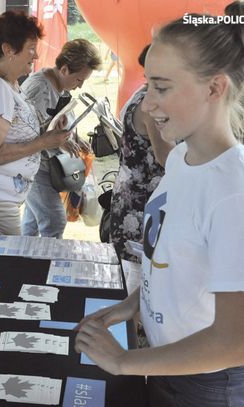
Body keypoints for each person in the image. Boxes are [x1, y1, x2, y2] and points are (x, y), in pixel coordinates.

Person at [75, 11, 244, 406]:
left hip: (206, 386)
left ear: (215, 88)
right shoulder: (183, 158)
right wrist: (131, 306)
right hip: (170, 368)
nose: (147, 105)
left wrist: (122, 362)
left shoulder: (232, 192)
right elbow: (169, 261)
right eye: (148, 85)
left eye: (162, 88)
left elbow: (236, 341)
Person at [0, 11, 70, 236]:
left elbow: (14, 129)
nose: (36, 55)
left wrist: (48, 130)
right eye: (30, 48)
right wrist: (43, 143)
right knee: (10, 264)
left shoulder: (7, 82)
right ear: (8, 49)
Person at [21, 39, 101, 239]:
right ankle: (46, 265)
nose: (80, 86)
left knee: (32, 223)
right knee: (54, 220)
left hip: (48, 165)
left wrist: (73, 136)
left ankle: (24, 261)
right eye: (79, 80)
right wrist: (61, 140)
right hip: (34, 165)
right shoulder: (38, 89)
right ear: (64, 69)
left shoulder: (62, 87)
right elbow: (23, 132)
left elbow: (57, 121)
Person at [109, 45, 175, 261]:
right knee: (138, 272)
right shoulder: (153, 105)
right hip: (140, 204)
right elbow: (166, 157)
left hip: (135, 198)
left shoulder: (143, 94)